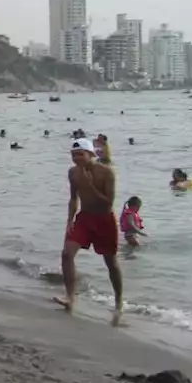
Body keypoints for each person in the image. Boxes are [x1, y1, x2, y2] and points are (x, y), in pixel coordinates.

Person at [55, 139, 122, 325]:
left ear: (91, 154)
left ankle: (118, 302)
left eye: (80, 154)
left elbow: (108, 203)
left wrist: (90, 184)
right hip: (84, 218)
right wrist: (69, 220)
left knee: (111, 262)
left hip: (104, 220)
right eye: (73, 154)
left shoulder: (107, 173)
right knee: (67, 254)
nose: (76, 158)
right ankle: (70, 297)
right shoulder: (73, 172)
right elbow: (73, 198)